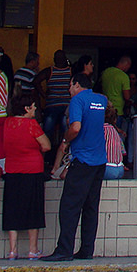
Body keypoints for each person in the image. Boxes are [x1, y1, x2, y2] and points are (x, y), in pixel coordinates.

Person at [42, 73, 108, 261]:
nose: (69, 90)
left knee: (69, 206)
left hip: (83, 159)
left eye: (70, 86)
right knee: (90, 207)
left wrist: (65, 140)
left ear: (76, 85)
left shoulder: (77, 100)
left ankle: (64, 250)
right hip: (99, 160)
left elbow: (76, 127)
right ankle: (87, 250)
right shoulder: (101, 100)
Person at [2, 92, 50, 260]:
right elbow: (46, 145)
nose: (36, 108)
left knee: (12, 209)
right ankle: (32, 250)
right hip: (32, 170)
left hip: (12, 170)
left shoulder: (8, 123)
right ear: (26, 108)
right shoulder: (32, 124)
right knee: (33, 209)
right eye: (33, 106)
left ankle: (12, 251)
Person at [35, 50, 72, 149]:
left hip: (57, 106)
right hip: (60, 106)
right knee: (59, 133)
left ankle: (51, 156)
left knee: (52, 132)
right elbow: (36, 82)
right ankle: (54, 156)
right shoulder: (51, 71)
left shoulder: (50, 71)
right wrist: (43, 95)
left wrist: (44, 95)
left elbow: (36, 81)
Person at [103, 104, 126, 179]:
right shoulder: (115, 131)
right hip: (120, 169)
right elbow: (123, 151)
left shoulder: (100, 129)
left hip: (108, 168)